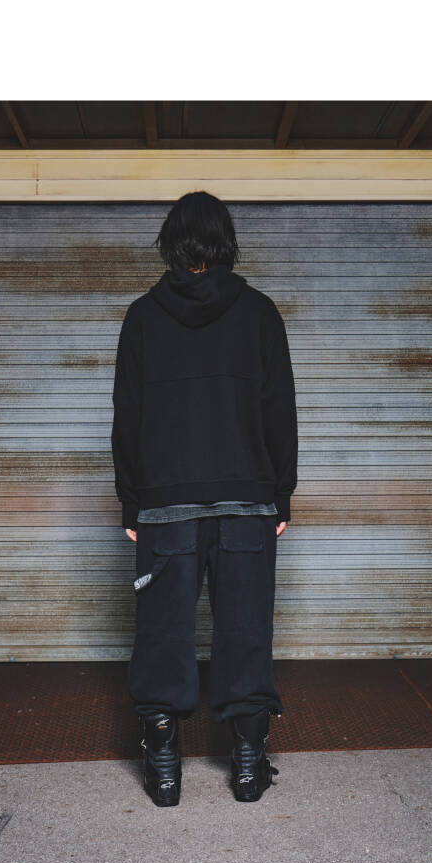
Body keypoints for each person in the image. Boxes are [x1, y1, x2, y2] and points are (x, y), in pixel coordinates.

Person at [112, 186, 298, 807]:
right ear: (226, 245)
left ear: (170, 245)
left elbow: (127, 416)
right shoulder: (260, 313)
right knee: (246, 631)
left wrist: (132, 503)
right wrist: (280, 496)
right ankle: (247, 769)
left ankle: (165, 774)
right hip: (247, 503)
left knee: (162, 635)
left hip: (166, 506)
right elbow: (280, 411)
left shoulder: (142, 317)